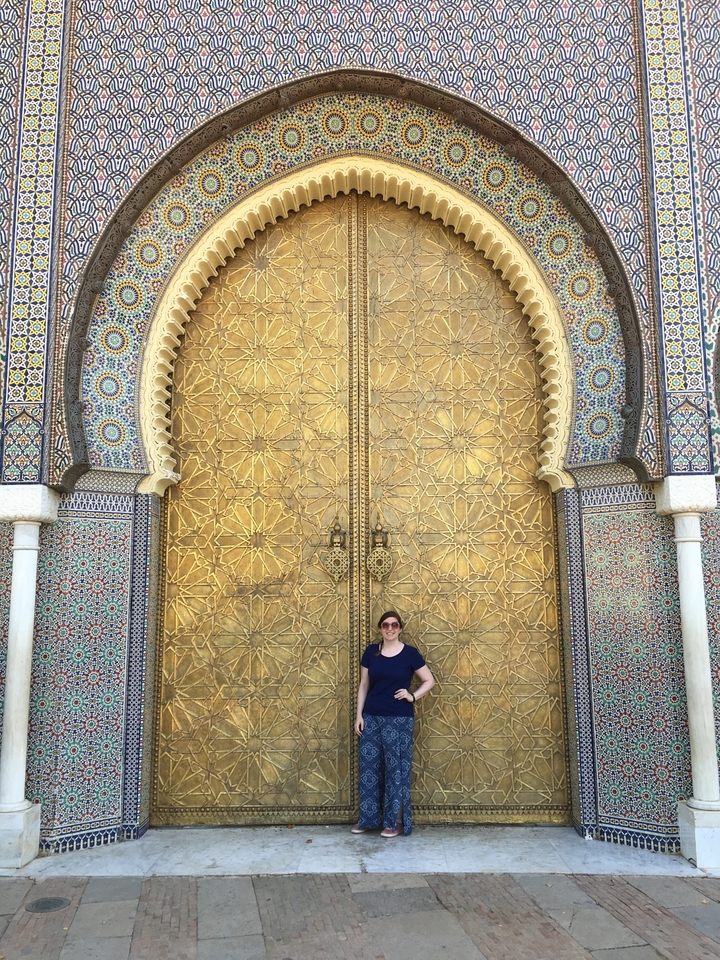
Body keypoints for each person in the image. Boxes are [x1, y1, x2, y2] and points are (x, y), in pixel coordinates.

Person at [352, 611, 435, 837]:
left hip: (399, 719)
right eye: (386, 625)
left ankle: (394, 822)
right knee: (369, 769)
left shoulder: (410, 654)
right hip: (371, 717)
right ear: (380, 628)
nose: (390, 628)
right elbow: (364, 684)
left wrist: (413, 696)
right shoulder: (372, 652)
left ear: (400, 628)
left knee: (395, 770)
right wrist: (359, 715)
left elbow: (429, 680)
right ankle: (368, 819)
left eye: (394, 625)